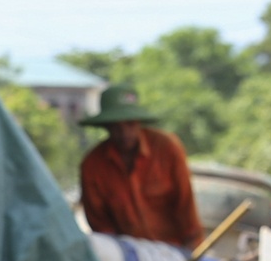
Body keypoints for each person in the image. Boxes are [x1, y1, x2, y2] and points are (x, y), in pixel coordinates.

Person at [78, 84, 203, 251]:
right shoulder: (92, 166)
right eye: (116, 126)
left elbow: (186, 206)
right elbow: (101, 226)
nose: (124, 133)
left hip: (176, 249)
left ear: (138, 122)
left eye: (129, 124)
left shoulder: (167, 148)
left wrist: (191, 253)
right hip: (131, 257)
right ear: (106, 126)